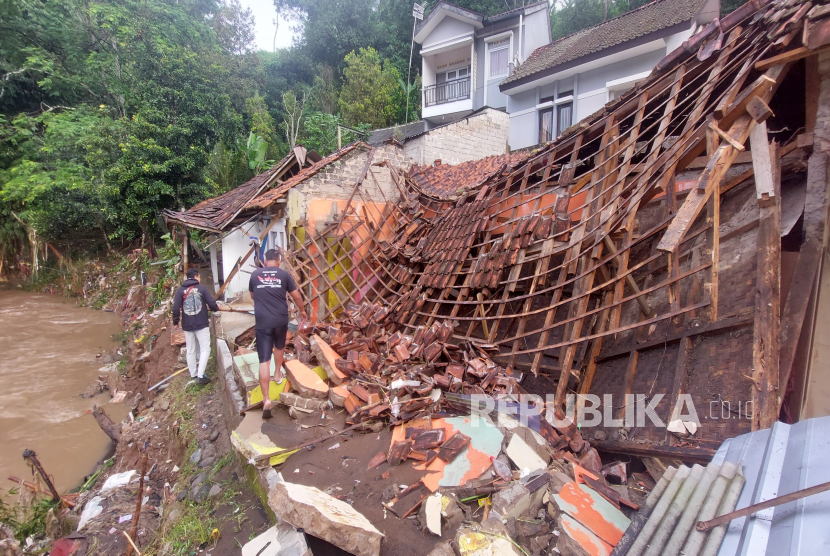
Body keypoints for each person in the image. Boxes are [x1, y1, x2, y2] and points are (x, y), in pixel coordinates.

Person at [249, 249, 308, 418]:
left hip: (262, 322)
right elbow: (296, 296)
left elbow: (253, 295)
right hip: (280, 320)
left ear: (265, 260)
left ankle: (266, 399)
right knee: (279, 346)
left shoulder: (255, 275)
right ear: (279, 260)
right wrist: (302, 310)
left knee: (263, 360)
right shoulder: (284, 275)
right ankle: (277, 374)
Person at [172, 269, 221, 385]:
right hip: (201, 324)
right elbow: (212, 303)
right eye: (199, 276)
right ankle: (200, 376)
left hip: (187, 325)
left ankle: (193, 374)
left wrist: (176, 322)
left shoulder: (180, 291)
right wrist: (216, 309)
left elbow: (175, 309)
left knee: (191, 349)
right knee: (205, 348)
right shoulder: (202, 288)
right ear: (196, 276)